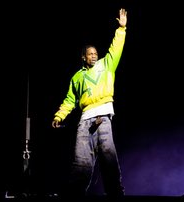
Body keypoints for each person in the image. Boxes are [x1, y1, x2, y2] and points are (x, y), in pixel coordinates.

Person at [51, 8, 127, 197]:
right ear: (83, 57)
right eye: (90, 54)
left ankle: (116, 194)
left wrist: (121, 29)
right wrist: (59, 116)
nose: (94, 56)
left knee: (108, 157)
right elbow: (70, 99)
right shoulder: (77, 77)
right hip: (85, 121)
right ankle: (73, 196)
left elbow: (115, 48)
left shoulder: (106, 65)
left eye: (95, 53)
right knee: (81, 162)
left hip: (103, 117)